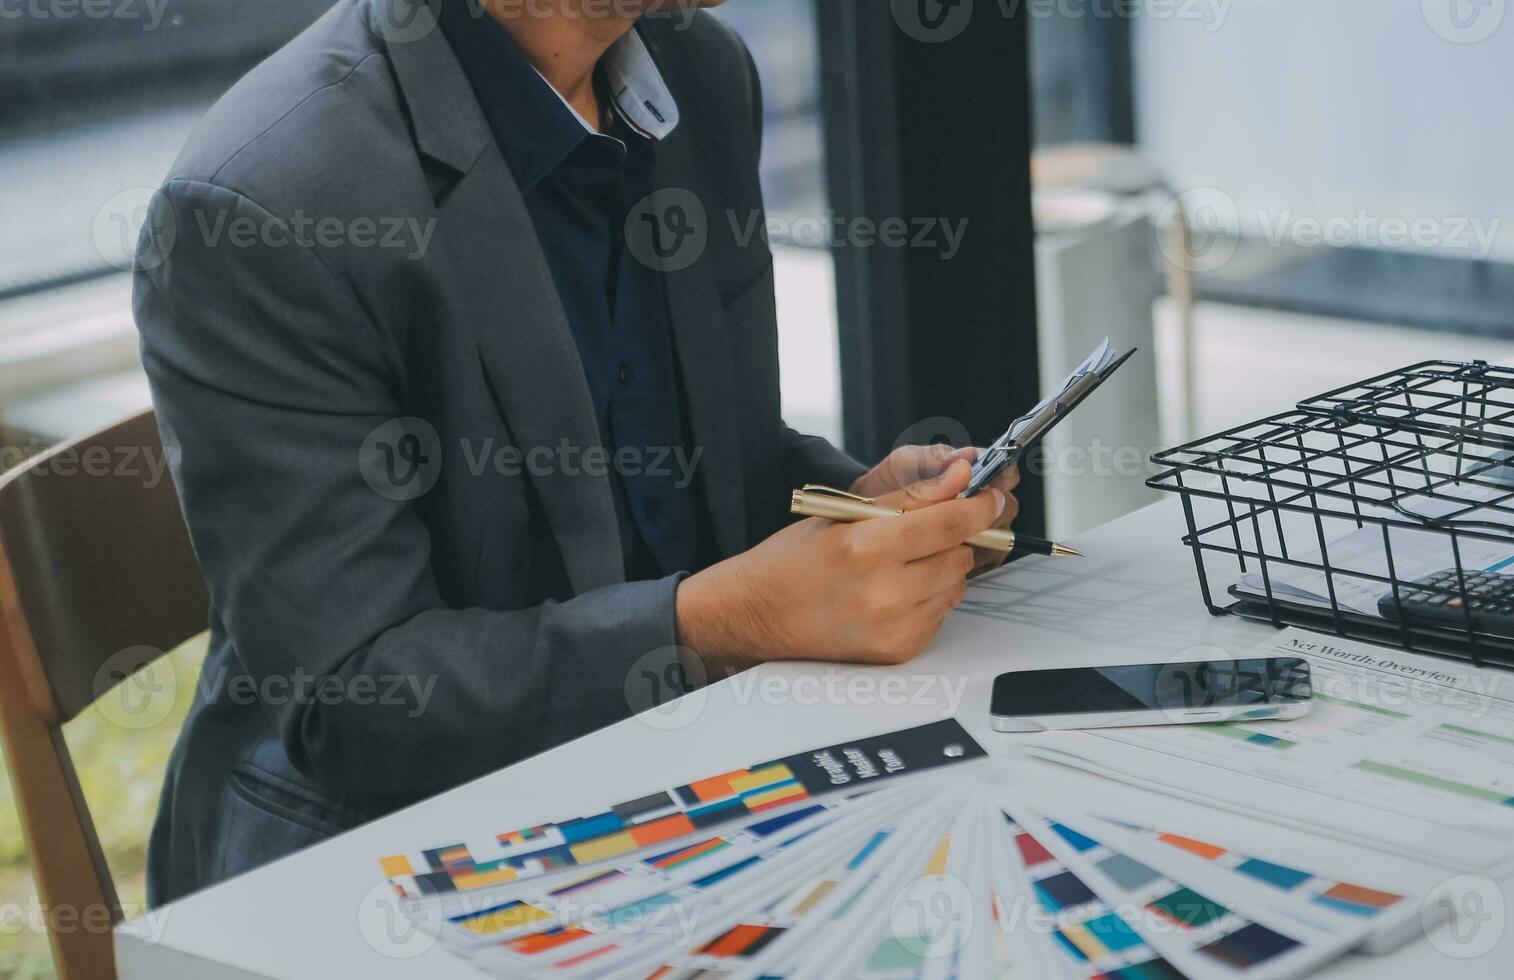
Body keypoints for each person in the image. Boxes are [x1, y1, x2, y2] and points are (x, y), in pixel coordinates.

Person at [132, 0, 1017, 904]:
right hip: (378, 869)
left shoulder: (697, 70)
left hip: (685, 791)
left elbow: (716, 466)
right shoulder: (263, 201)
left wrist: (857, 508)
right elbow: (355, 701)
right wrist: (718, 623)